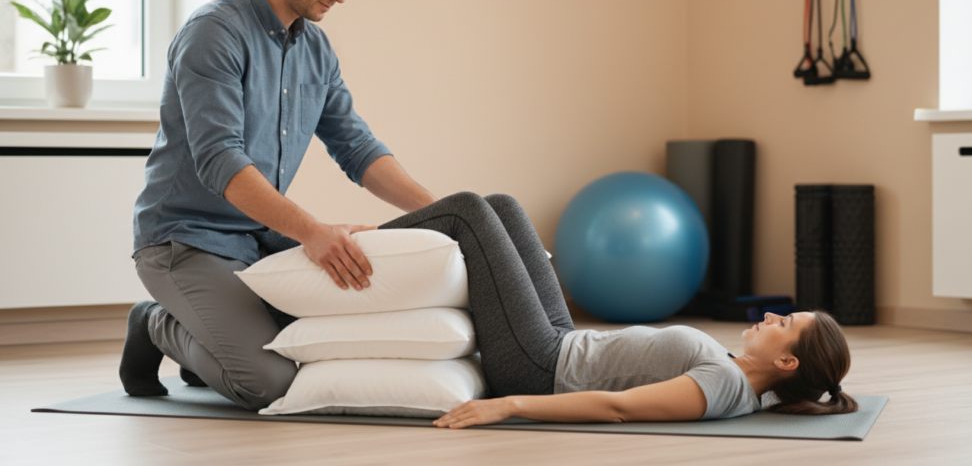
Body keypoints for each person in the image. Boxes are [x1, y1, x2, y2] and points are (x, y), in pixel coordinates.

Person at [121, 0, 436, 411]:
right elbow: (221, 159)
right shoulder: (214, 34)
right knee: (269, 383)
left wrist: (437, 213)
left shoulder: (315, 48)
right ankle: (156, 321)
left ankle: (205, 329)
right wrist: (313, 232)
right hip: (185, 240)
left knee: (329, 353)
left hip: (258, 239)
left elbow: (357, 148)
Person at [349, 191, 858, 426]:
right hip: (561, 339)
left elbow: (620, 408)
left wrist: (508, 405)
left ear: (787, 362)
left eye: (784, 324)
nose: (771, 316)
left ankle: (354, 248)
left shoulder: (724, 387)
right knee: (504, 206)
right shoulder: (747, 379)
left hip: (539, 366)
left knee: (468, 210)